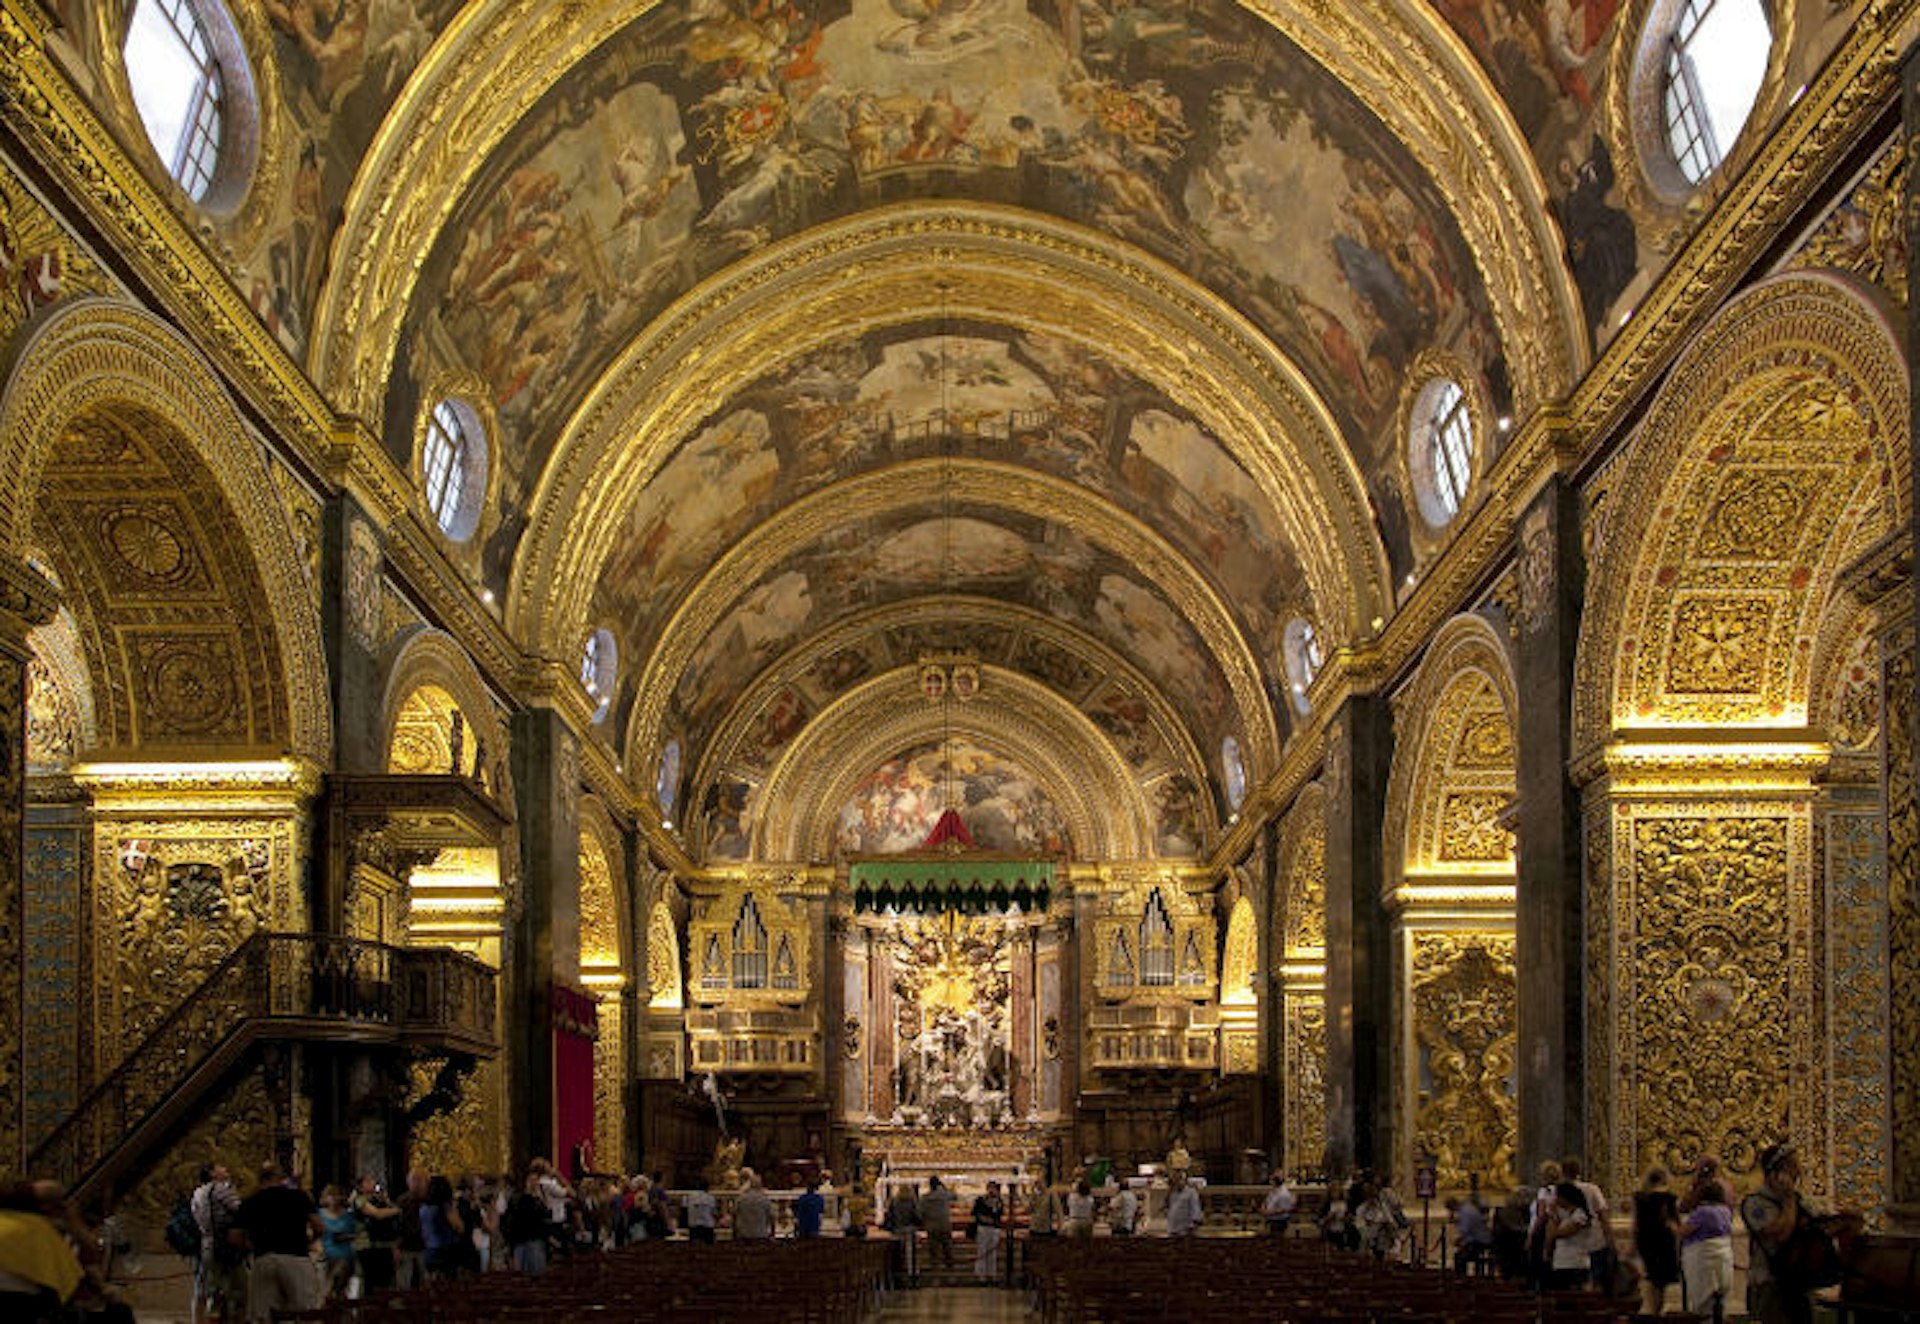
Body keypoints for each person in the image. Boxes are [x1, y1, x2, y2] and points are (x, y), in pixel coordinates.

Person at [1742, 1142, 1846, 1324]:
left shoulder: (1800, 1200)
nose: (1797, 1173)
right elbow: (1782, 1235)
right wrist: (1788, 1198)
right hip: (1770, 1284)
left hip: (1798, 1283)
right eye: (1791, 1168)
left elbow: (1818, 1226)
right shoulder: (1755, 1204)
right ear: (1774, 1173)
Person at [235, 1163, 322, 1323]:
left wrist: (250, 1246)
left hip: (264, 1259)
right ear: (282, 1179)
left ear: (260, 1180)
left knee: (264, 1315)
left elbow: (234, 1237)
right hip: (296, 1258)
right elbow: (319, 1226)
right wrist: (310, 1241)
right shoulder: (299, 1197)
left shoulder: (250, 1202)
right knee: (304, 1312)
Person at [189, 1162, 242, 1324]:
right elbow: (239, 1210)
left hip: (206, 1243)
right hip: (224, 1245)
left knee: (204, 1288)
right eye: (220, 1167)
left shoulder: (198, 1192)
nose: (225, 1168)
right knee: (231, 1289)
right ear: (212, 1173)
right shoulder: (220, 1189)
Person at [1680, 1174, 1734, 1323]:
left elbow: (1684, 1232)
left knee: (1703, 1303)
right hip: (1723, 1254)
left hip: (1703, 1257)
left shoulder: (1702, 1212)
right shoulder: (1725, 1211)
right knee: (1719, 1301)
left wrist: (1670, 1225)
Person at [1633, 1167, 1681, 1315]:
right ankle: (1658, 1311)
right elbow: (1675, 1224)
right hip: (1664, 1241)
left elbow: (1636, 1224)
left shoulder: (1640, 1198)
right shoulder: (1669, 1198)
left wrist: (1634, 1245)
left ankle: (1652, 1311)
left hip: (1646, 1240)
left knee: (1652, 1278)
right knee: (1662, 1281)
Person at [1563, 1157, 1615, 1289]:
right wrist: (1610, 1239)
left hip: (1569, 1244)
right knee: (1596, 1283)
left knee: (1573, 1285)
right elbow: (1603, 1215)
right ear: (1579, 1171)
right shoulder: (1592, 1189)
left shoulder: (1558, 1191)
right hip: (1594, 1241)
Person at [350, 1175, 400, 1291]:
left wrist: (385, 1200)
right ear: (361, 1185)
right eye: (368, 1181)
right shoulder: (359, 1199)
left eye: (373, 1180)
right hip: (367, 1244)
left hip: (384, 1244)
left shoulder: (379, 1199)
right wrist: (398, 1210)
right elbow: (377, 1214)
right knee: (370, 1279)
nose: (372, 1183)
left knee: (386, 1280)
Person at [1545, 1181, 1594, 1292]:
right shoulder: (1566, 1217)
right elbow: (1549, 1236)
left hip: (1575, 1264)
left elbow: (1559, 1234)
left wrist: (1553, 1218)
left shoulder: (1580, 1216)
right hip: (1561, 1263)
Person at [503, 1172, 552, 1275]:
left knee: (536, 1275)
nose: (534, 1183)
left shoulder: (539, 1199)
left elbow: (546, 1216)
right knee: (520, 1276)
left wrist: (541, 1197)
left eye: (536, 1180)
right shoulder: (518, 1199)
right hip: (520, 1241)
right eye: (531, 1180)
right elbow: (513, 1220)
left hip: (536, 1240)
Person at [420, 1174, 466, 1280]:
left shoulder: (423, 1207)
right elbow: (459, 1227)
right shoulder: (445, 1207)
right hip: (446, 1250)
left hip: (429, 1249)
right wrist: (454, 1208)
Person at [1449, 1194, 1493, 1273]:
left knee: (1459, 1257)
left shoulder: (1464, 1212)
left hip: (1479, 1241)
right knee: (1461, 1252)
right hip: (1483, 1239)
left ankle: (1461, 1279)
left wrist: (1458, 1240)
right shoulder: (1468, 1208)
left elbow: (1465, 1230)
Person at [919, 1175, 957, 1267]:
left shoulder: (925, 1198)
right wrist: (944, 1187)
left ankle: (934, 1264)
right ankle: (949, 1263)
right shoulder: (944, 1195)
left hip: (932, 1225)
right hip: (944, 1224)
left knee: (933, 1247)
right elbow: (954, 1196)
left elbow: (921, 1212)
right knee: (947, 1245)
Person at [971, 1181, 1004, 1281]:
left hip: (994, 1228)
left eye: (994, 1188)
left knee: (992, 1253)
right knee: (982, 1251)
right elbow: (974, 1212)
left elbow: (1000, 1214)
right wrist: (981, 1218)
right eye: (990, 1188)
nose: (992, 1190)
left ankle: (992, 1274)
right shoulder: (981, 1200)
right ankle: (981, 1275)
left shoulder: (999, 1202)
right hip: (983, 1228)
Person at [733, 1169, 773, 1240]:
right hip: (761, 1234)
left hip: (743, 1235)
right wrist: (772, 1233)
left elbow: (734, 1216)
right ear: (760, 1185)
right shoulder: (765, 1200)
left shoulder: (741, 1199)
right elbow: (771, 1217)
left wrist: (734, 1233)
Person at [1165, 1169, 1202, 1237]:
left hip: (1185, 1229)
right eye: (1175, 1180)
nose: (1177, 1182)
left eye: (1180, 1179)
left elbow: (1195, 1208)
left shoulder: (1191, 1192)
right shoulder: (1172, 1193)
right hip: (1173, 1228)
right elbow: (1169, 1207)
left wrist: (1193, 1225)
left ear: (1184, 1180)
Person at [1262, 1172, 1297, 1237]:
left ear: (1275, 1182)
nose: (1269, 1182)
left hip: (1279, 1221)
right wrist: (1264, 1208)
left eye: (1271, 1180)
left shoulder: (1283, 1194)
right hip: (1271, 1219)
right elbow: (1267, 1201)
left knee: (1277, 1240)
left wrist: (1269, 1212)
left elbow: (1285, 1209)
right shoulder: (1273, 1191)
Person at [684, 1178, 717, 1244]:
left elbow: (685, 1211)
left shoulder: (688, 1197)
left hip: (693, 1227)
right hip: (707, 1227)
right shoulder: (710, 1198)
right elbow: (714, 1213)